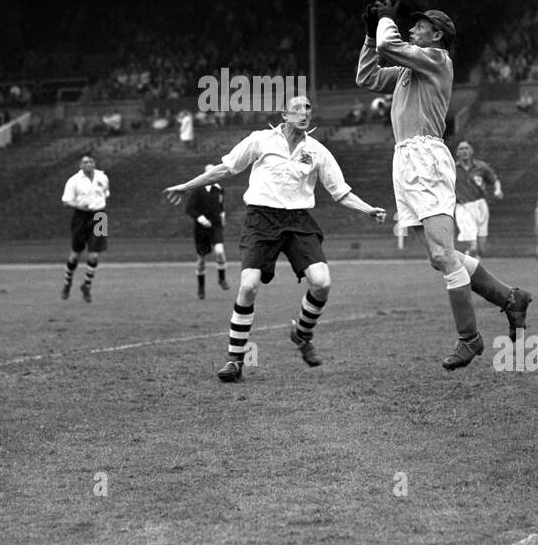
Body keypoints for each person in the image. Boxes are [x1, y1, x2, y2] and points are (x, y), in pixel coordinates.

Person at [357, 1, 533, 370]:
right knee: (438, 257)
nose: (412, 29)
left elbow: (392, 47)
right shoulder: (411, 69)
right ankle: (509, 297)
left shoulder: (436, 58)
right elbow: (368, 78)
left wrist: (386, 20)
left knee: (442, 254)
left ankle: (470, 338)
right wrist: (371, 36)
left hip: (426, 157)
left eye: (418, 26)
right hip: (405, 158)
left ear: (436, 35)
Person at [163, 96, 387, 382]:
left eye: (308, 108)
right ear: (284, 114)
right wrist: (187, 186)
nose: (304, 112)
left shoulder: (317, 151)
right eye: (297, 108)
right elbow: (226, 168)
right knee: (248, 285)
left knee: (322, 282)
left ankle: (302, 335)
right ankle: (235, 361)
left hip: (298, 221)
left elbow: (340, 191)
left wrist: (369, 210)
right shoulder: (261, 140)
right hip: (261, 219)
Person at [61, 153, 109, 302]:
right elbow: (66, 201)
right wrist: (79, 205)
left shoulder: (103, 177)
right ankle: (67, 282)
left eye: (90, 161)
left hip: (100, 216)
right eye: (85, 162)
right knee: (75, 254)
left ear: (94, 163)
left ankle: (86, 285)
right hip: (81, 217)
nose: (88, 164)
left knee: (94, 254)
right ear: (81, 165)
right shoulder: (74, 181)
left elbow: (105, 195)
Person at [184, 166, 230, 299]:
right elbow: (189, 208)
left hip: (216, 227)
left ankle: (222, 279)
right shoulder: (198, 190)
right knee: (201, 260)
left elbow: (220, 206)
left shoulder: (220, 190)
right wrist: (201, 219)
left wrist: (222, 215)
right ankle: (201, 287)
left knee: (220, 252)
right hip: (201, 230)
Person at [454, 141, 502, 258]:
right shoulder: (453, 169)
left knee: (481, 248)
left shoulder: (481, 167)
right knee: (473, 245)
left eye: (466, 148)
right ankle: (466, 270)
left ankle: (471, 266)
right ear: (457, 153)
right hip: (463, 208)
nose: (464, 151)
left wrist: (498, 190)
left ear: (471, 151)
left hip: (481, 206)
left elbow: (494, 180)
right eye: (461, 149)